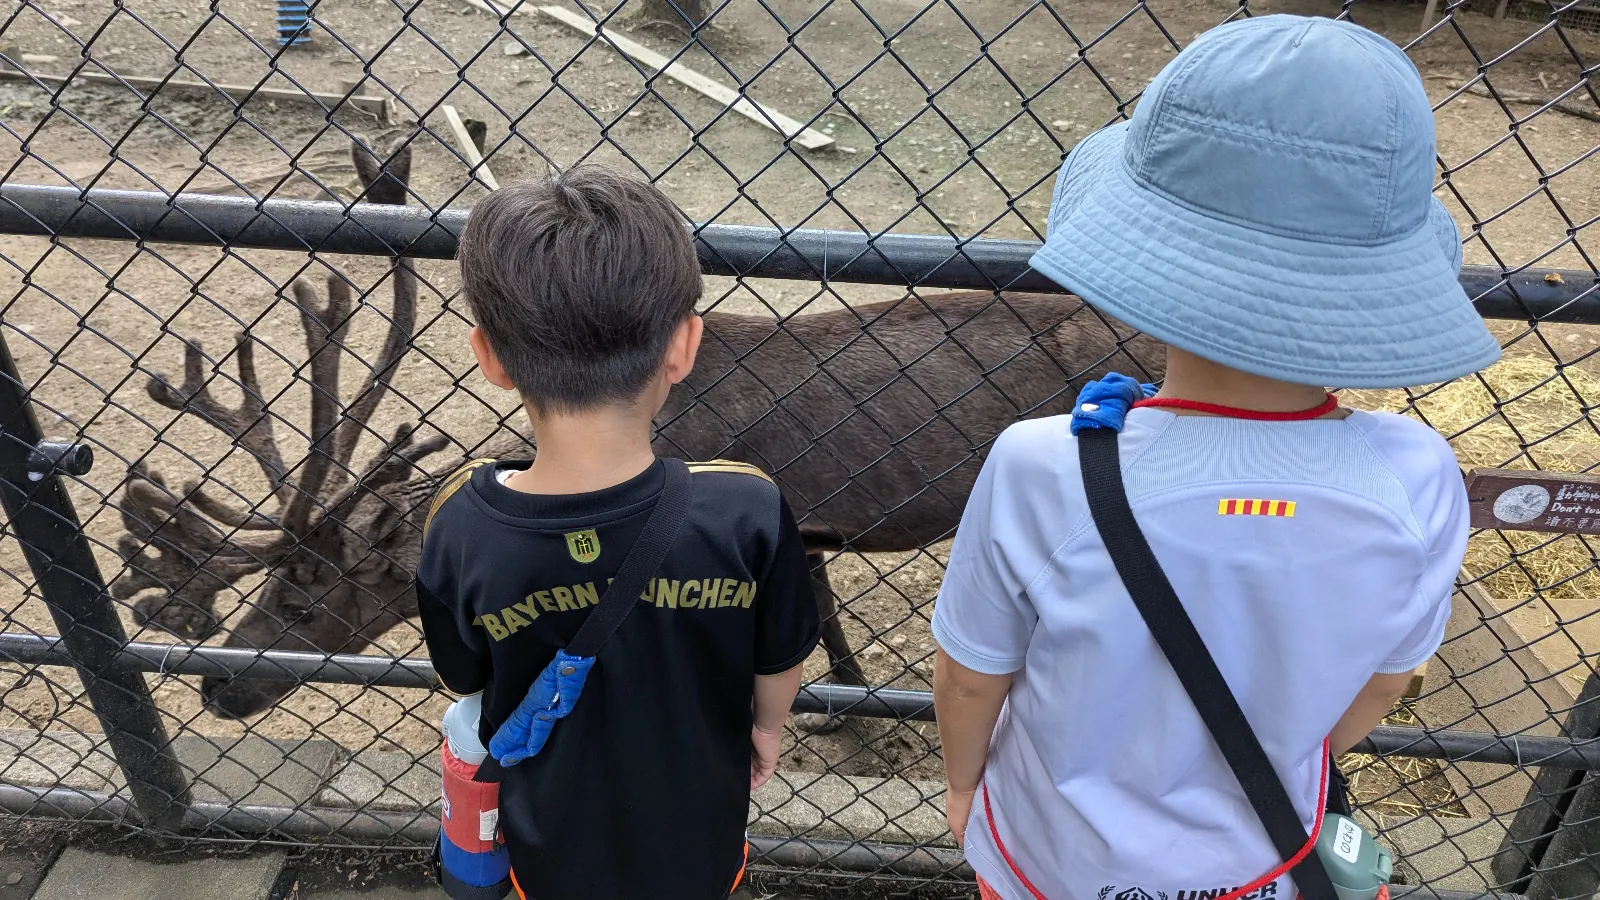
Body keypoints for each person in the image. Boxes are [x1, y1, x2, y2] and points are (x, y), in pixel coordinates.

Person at [931, 15, 1499, 900]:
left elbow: (971, 677)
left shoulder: (1044, 467)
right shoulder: (1416, 476)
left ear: (1151, 247)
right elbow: (1386, 683)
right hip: (1257, 862)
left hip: (1050, 863)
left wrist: (966, 786)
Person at [418, 166, 821, 900]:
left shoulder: (462, 525)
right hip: (697, 841)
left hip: (550, 851)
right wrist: (766, 730)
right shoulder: (746, 509)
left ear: (490, 358)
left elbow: (468, 677)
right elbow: (780, 656)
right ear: (685, 346)